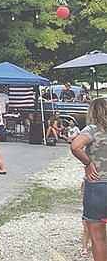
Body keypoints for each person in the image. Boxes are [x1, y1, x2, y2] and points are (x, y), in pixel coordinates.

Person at [71, 97, 107, 261]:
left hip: (98, 187)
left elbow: (75, 146)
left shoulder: (93, 129)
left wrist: (87, 162)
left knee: (98, 237)